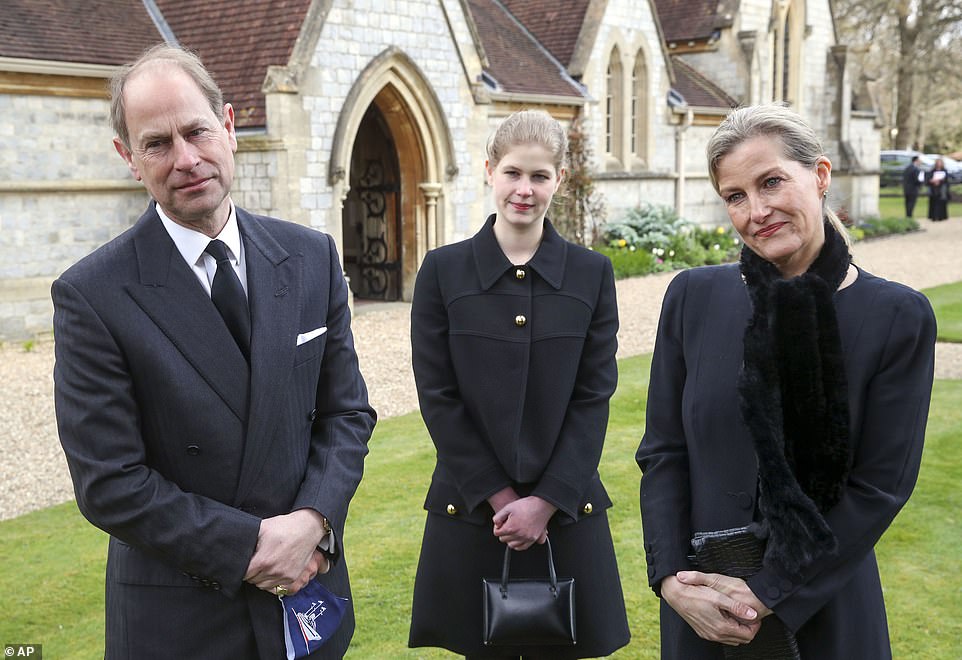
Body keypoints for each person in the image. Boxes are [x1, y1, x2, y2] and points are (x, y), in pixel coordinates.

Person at [52, 44, 375, 659]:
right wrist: (251, 547)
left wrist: (313, 525)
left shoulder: (310, 257)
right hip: (182, 622)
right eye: (157, 144)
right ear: (128, 159)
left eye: (196, 131)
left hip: (308, 599)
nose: (186, 159)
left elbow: (346, 415)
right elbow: (109, 483)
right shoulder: (92, 294)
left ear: (228, 126)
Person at [636, 104, 936, 659]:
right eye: (736, 196)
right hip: (702, 611)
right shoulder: (693, 297)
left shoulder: (897, 316)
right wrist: (671, 578)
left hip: (824, 610)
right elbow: (663, 452)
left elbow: (879, 487)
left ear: (820, 176)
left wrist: (769, 591)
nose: (757, 210)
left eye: (771, 181)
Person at [408, 109, 631, 658]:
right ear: (489, 171)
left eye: (539, 176)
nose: (524, 190)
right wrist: (502, 497)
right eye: (512, 173)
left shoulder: (592, 273)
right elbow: (438, 398)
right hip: (474, 514)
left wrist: (546, 501)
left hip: (566, 517)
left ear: (559, 178)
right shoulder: (442, 271)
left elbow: (593, 397)